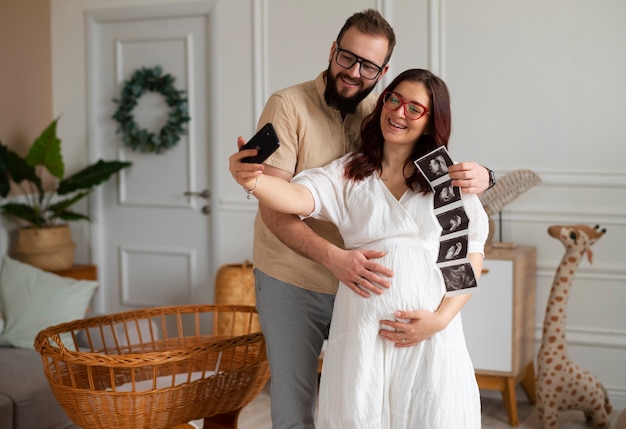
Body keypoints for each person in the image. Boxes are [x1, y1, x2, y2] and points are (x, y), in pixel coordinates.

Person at [229, 9, 493, 428]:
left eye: (414, 109)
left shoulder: (444, 177)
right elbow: (294, 196)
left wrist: (440, 319)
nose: (399, 112)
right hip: (322, 297)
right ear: (333, 51)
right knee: (338, 409)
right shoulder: (349, 168)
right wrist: (251, 180)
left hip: (427, 336)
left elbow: (468, 252)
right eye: (395, 100)